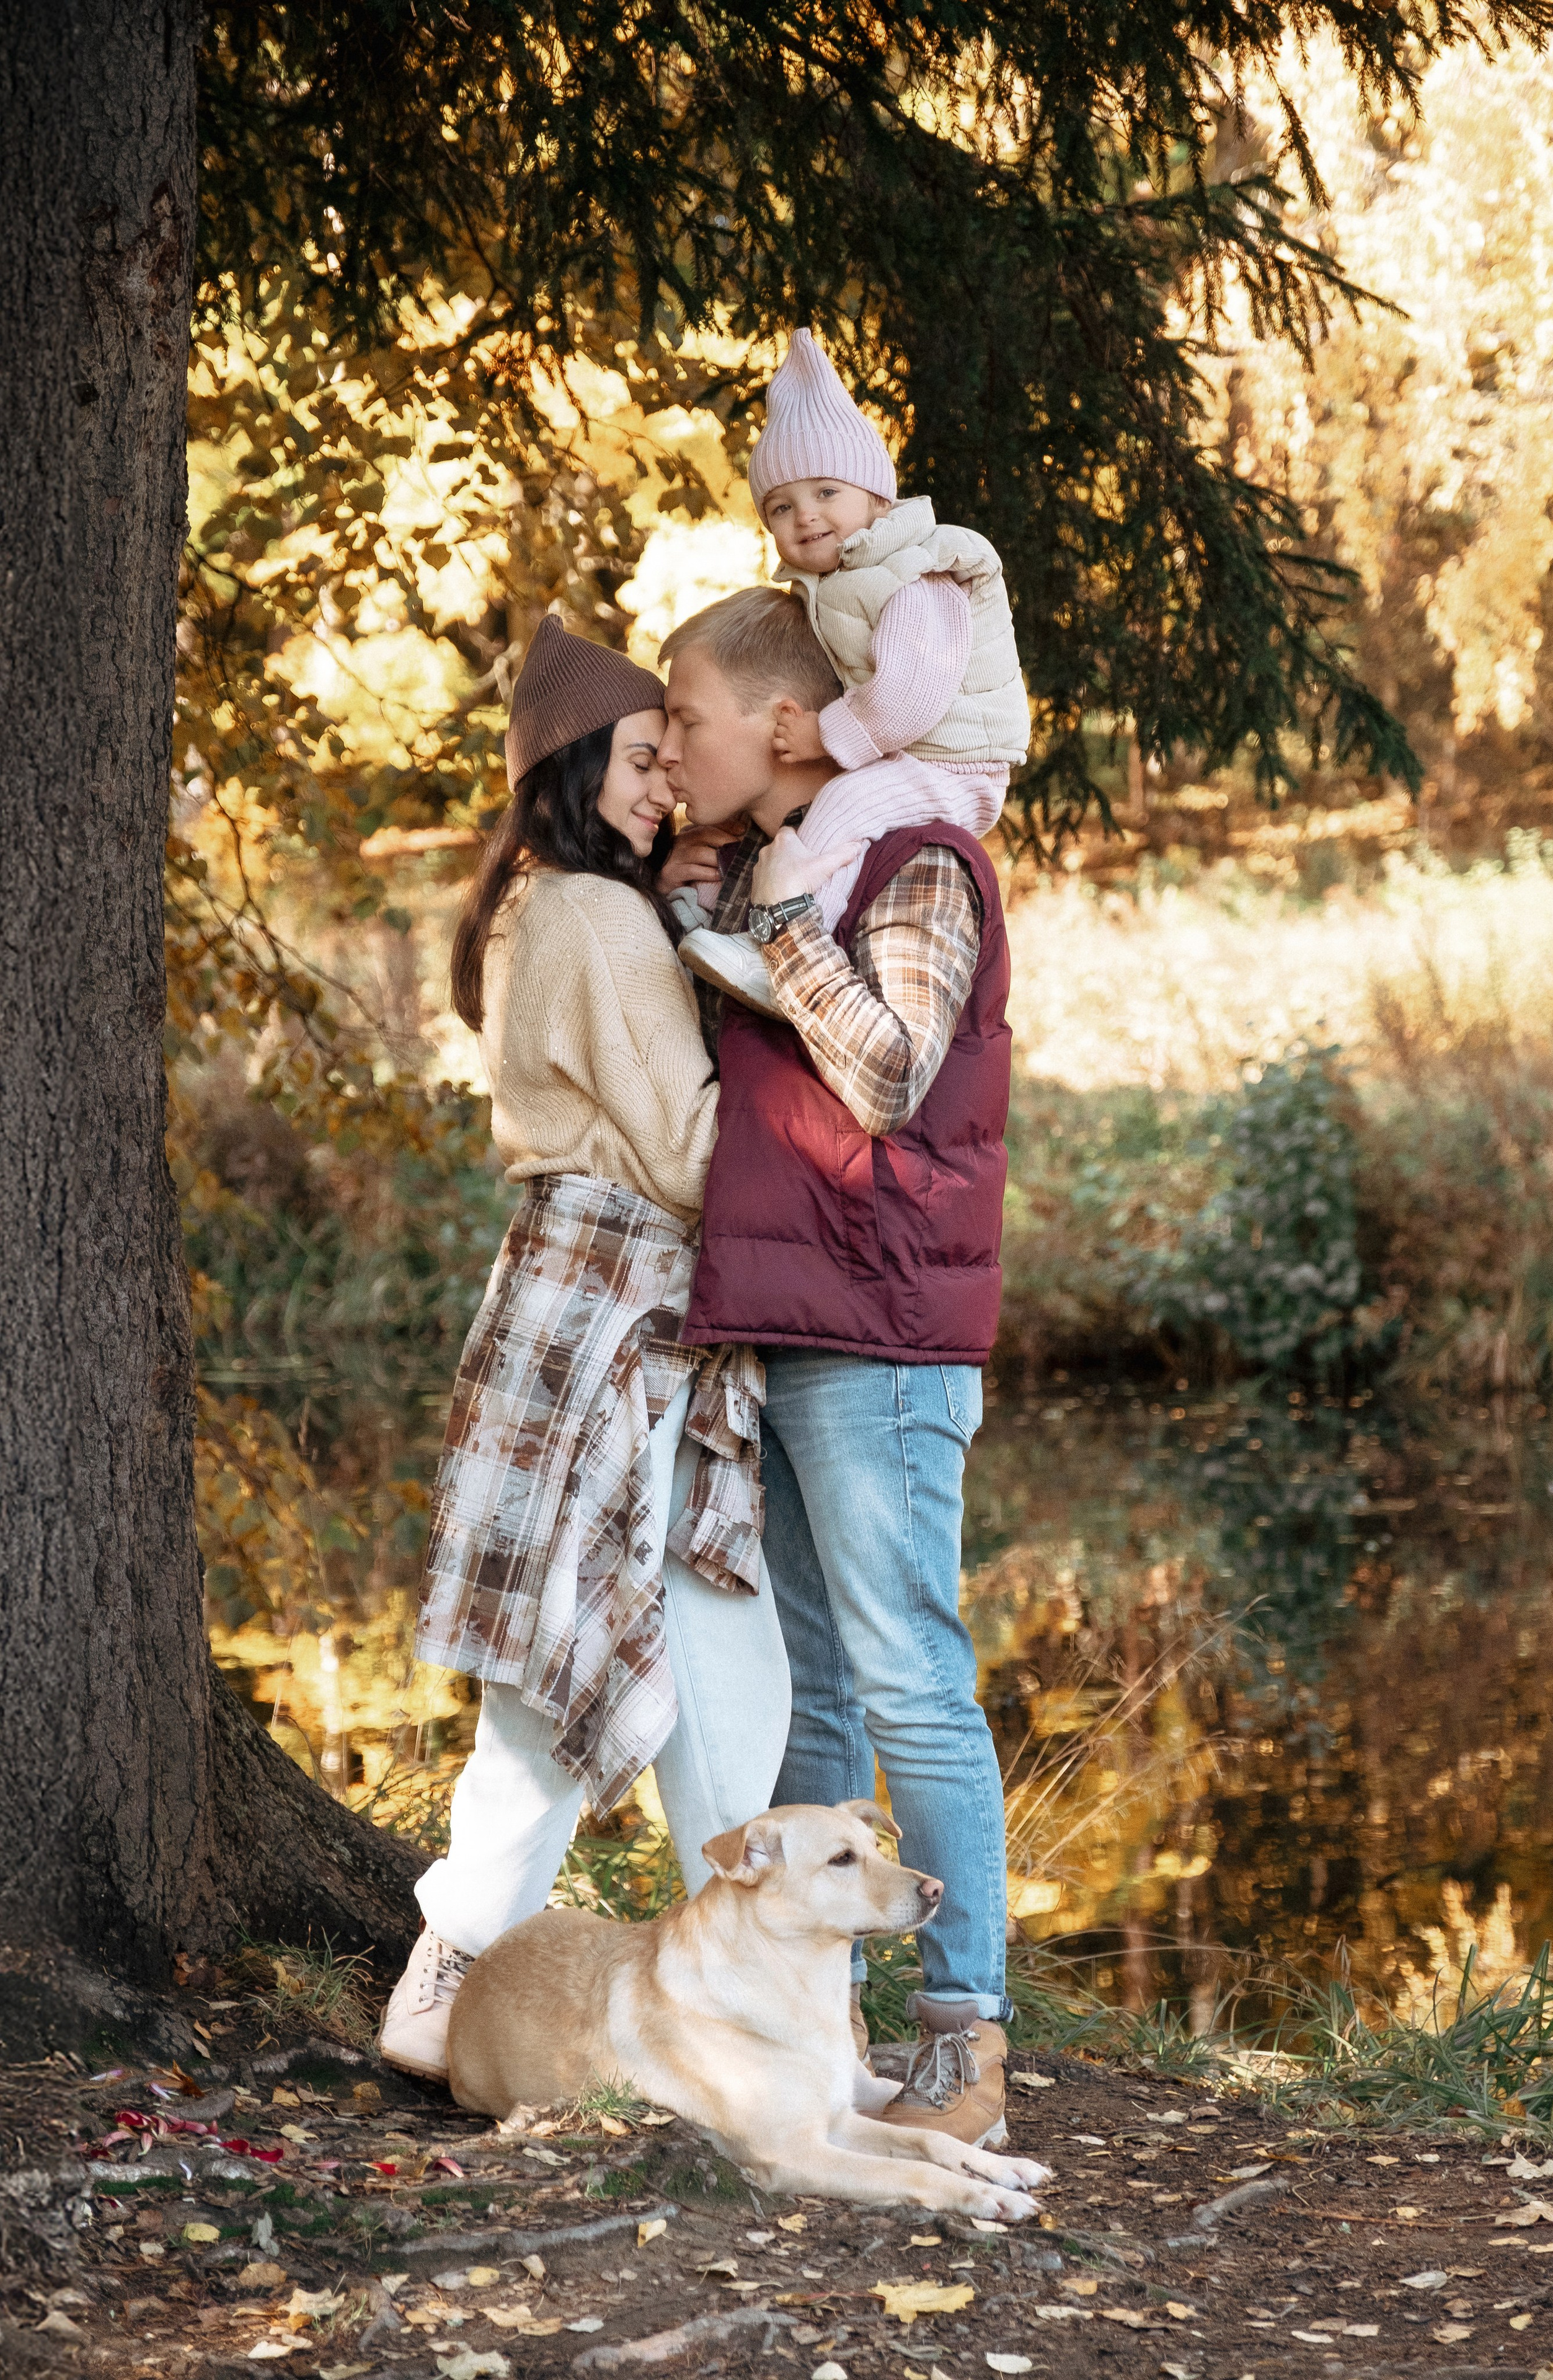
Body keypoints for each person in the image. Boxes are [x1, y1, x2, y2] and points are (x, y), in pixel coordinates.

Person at [379, 617, 791, 2082]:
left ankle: (731, 1978)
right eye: (634, 755)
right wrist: (790, 1039)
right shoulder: (601, 921)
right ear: (567, 766)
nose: (664, 774)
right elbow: (686, 1149)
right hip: (621, 1302)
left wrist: (673, 920)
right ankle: (444, 1983)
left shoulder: (554, 908)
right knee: (578, 1660)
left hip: (582, 1297)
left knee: (681, 1645)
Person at [657, 585, 1017, 2148]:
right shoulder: (763, 869)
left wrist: (770, 926)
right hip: (793, 1321)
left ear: (784, 726)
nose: (670, 745)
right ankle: (816, 2027)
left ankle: (964, 2040)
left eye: (686, 717)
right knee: (809, 1692)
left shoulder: (912, 858)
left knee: (908, 1679)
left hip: (878, 1326)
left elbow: (885, 1071)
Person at [677, 328, 1028, 1017]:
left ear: (876, 499)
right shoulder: (844, 585)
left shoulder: (916, 571)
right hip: (913, 755)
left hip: (957, 764)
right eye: (781, 506)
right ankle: (727, 913)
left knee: (843, 806)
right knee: (813, 816)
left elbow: (909, 696)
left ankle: (787, 942)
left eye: (826, 491)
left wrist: (823, 737)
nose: (805, 514)